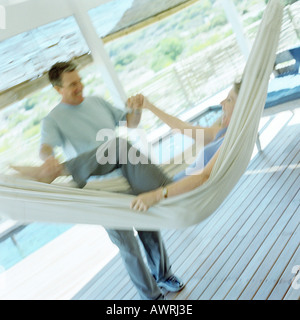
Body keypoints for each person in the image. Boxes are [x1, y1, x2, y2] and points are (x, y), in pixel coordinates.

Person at [33, 61, 184, 300]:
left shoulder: (96, 102)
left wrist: (136, 110)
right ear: (58, 89)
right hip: (100, 190)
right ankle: (152, 298)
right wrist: (48, 158)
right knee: (128, 247)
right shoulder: (53, 120)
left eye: (80, 81)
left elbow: (131, 123)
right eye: (72, 84)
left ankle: (163, 275)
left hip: (127, 175)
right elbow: (45, 147)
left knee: (150, 231)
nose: (80, 87)